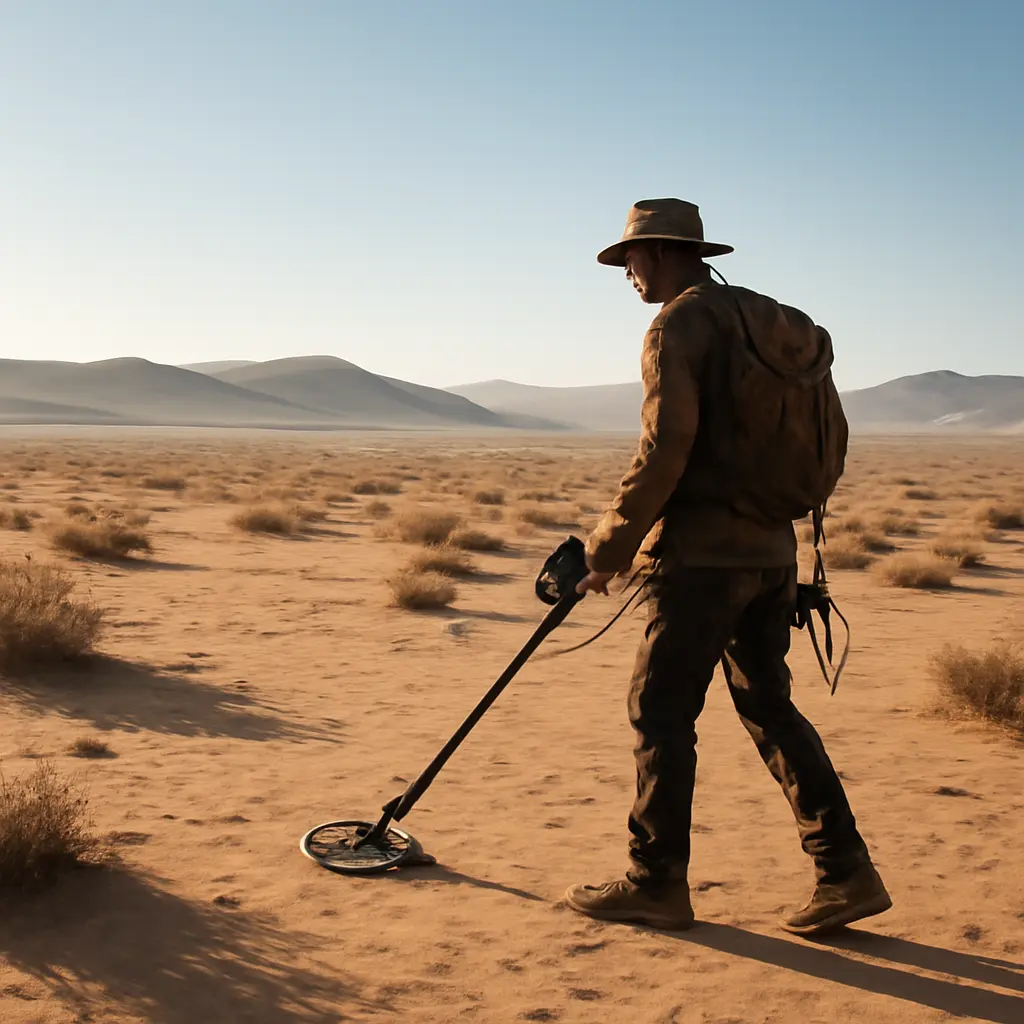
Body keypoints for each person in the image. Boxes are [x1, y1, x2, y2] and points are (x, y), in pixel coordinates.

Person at [565, 198, 892, 937]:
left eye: (631, 260)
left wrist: (607, 551)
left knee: (660, 712)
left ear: (663, 253)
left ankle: (655, 883)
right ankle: (846, 871)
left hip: (703, 561)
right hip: (775, 555)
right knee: (769, 707)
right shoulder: (777, 324)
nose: (628, 275)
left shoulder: (679, 324)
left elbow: (664, 450)